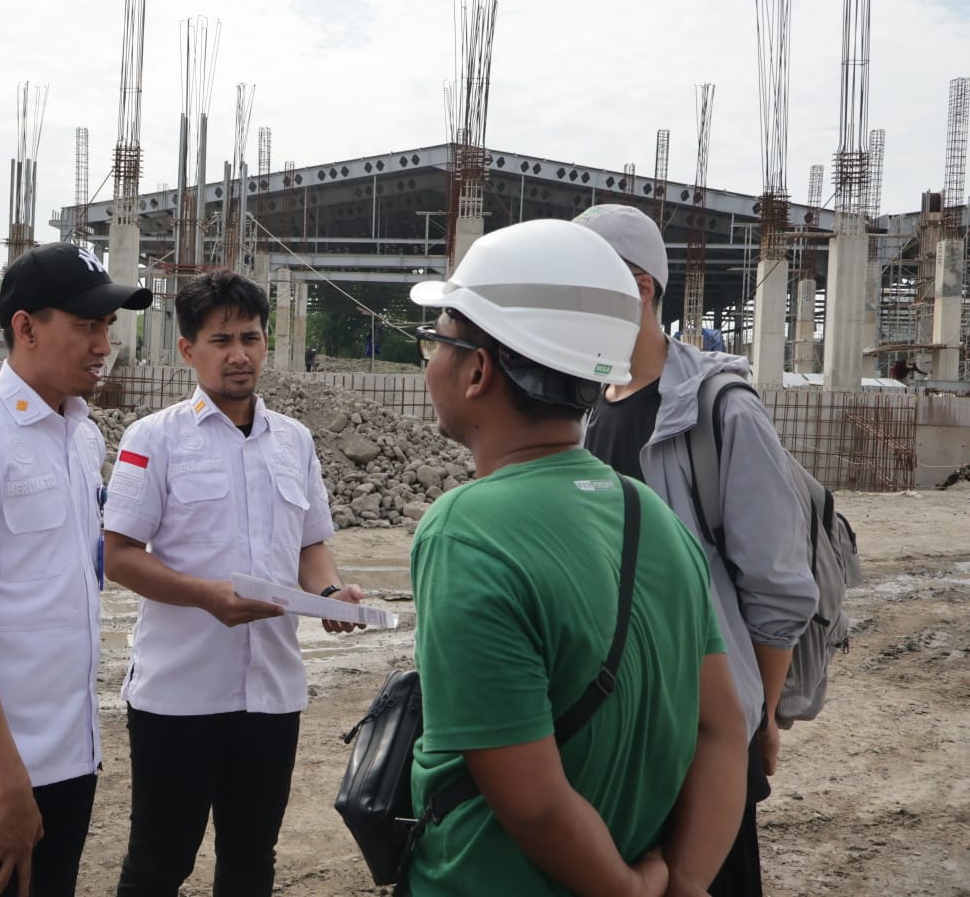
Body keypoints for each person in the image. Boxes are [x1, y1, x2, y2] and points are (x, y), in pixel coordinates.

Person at [406, 219, 748, 897]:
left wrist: (627, 890)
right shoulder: (651, 515)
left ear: (478, 370)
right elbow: (723, 730)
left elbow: (533, 801)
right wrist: (683, 882)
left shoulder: (465, 532)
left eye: (436, 340)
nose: (429, 361)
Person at [574, 203, 819, 897]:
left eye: (582, 285)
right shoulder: (586, 407)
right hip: (616, 724)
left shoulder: (719, 410)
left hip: (703, 731)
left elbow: (777, 586)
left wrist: (755, 717)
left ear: (640, 287)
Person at [102, 270, 366, 897]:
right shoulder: (153, 439)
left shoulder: (295, 442)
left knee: (251, 860)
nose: (239, 354)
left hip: (271, 695)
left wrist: (330, 594)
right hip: (178, 697)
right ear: (188, 349)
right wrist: (206, 597)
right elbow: (119, 556)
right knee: (159, 863)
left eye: (251, 338)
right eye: (221, 340)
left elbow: (310, 545)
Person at [0, 242, 152, 897]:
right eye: (86, 326)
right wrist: (9, 782)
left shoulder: (81, 436)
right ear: (25, 327)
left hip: (69, 757)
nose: (103, 345)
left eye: (108, 326)